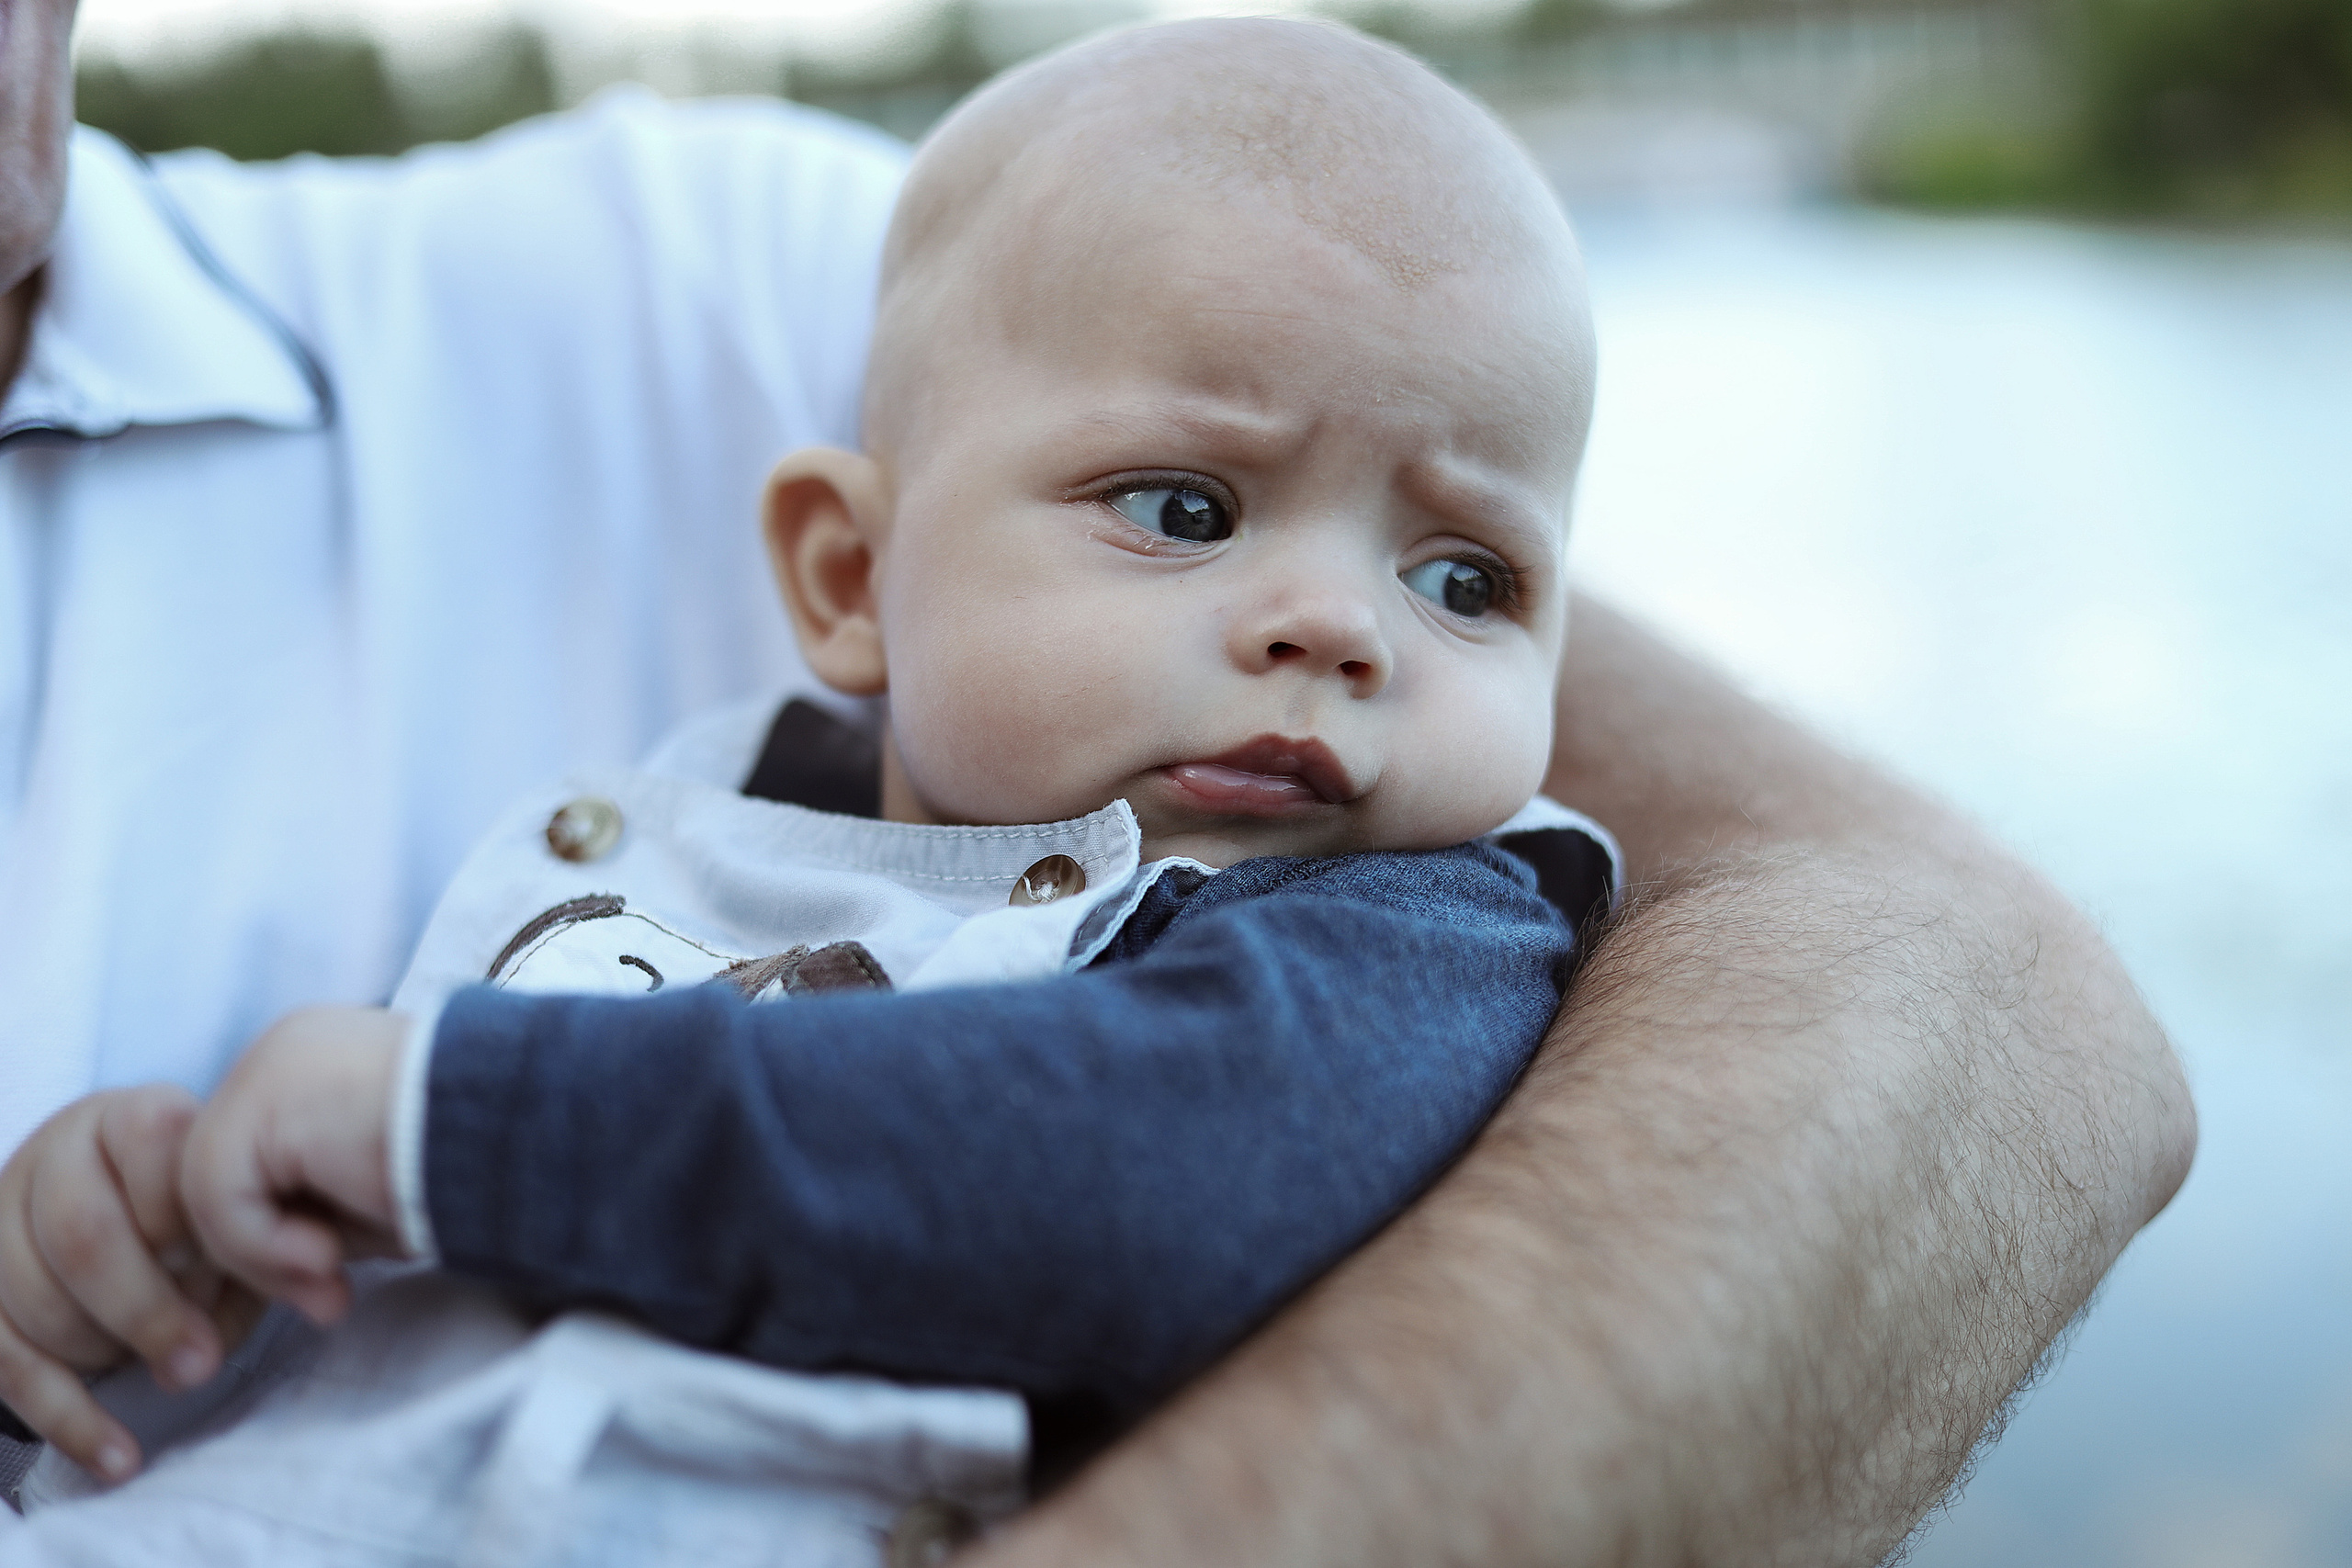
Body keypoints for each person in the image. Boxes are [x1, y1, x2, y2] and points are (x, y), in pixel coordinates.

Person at [0, 1, 2194, 1562]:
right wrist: (153, 1200)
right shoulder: (714, 803)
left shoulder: (1410, 930)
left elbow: (1112, 1187)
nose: (1340, 625)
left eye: (1464, 571)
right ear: (849, 581)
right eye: (1180, 511)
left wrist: (425, 1119)